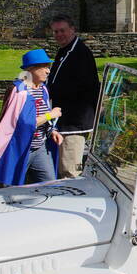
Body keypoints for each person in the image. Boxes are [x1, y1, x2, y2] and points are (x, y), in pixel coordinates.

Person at [0, 50, 63, 185]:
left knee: (51, 186)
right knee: (12, 190)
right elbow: (25, 124)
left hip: (40, 147)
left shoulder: (43, 89)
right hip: (19, 149)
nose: (48, 71)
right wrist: (50, 114)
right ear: (31, 69)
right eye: (44, 67)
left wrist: (53, 130)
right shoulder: (19, 91)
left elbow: (45, 117)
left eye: (48, 67)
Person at [47, 14, 99, 178]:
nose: (58, 35)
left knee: (69, 171)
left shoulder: (79, 53)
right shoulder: (66, 50)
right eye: (55, 32)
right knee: (62, 166)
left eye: (62, 30)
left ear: (72, 29)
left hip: (73, 122)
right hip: (65, 118)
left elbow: (82, 87)